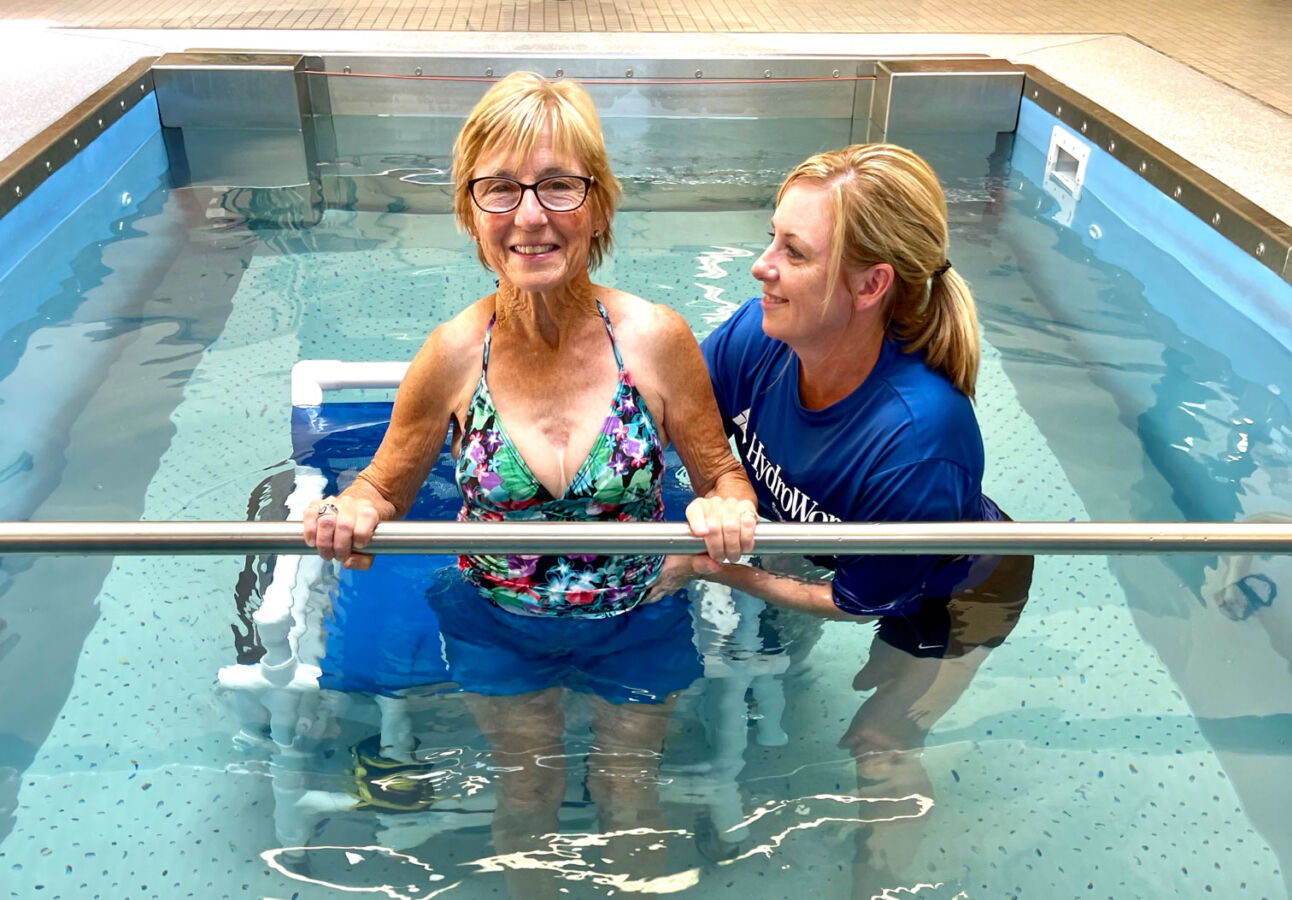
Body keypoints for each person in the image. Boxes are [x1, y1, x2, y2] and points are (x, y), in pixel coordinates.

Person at [301, 71, 757, 896]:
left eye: (558, 184)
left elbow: (720, 472)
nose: (532, 215)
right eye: (501, 189)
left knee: (629, 792)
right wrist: (352, 510)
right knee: (528, 789)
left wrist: (724, 503)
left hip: (637, 614)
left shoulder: (655, 340)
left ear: (599, 204)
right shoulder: (450, 353)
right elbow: (386, 485)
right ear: (472, 213)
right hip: (499, 620)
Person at [652, 143, 1033, 891]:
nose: (761, 266)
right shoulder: (766, 334)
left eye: (792, 252)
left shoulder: (917, 439)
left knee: (880, 736)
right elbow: (675, 412)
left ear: (870, 285)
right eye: (772, 238)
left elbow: (853, 602)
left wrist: (713, 566)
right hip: (850, 548)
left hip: (955, 593)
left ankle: (877, 885)